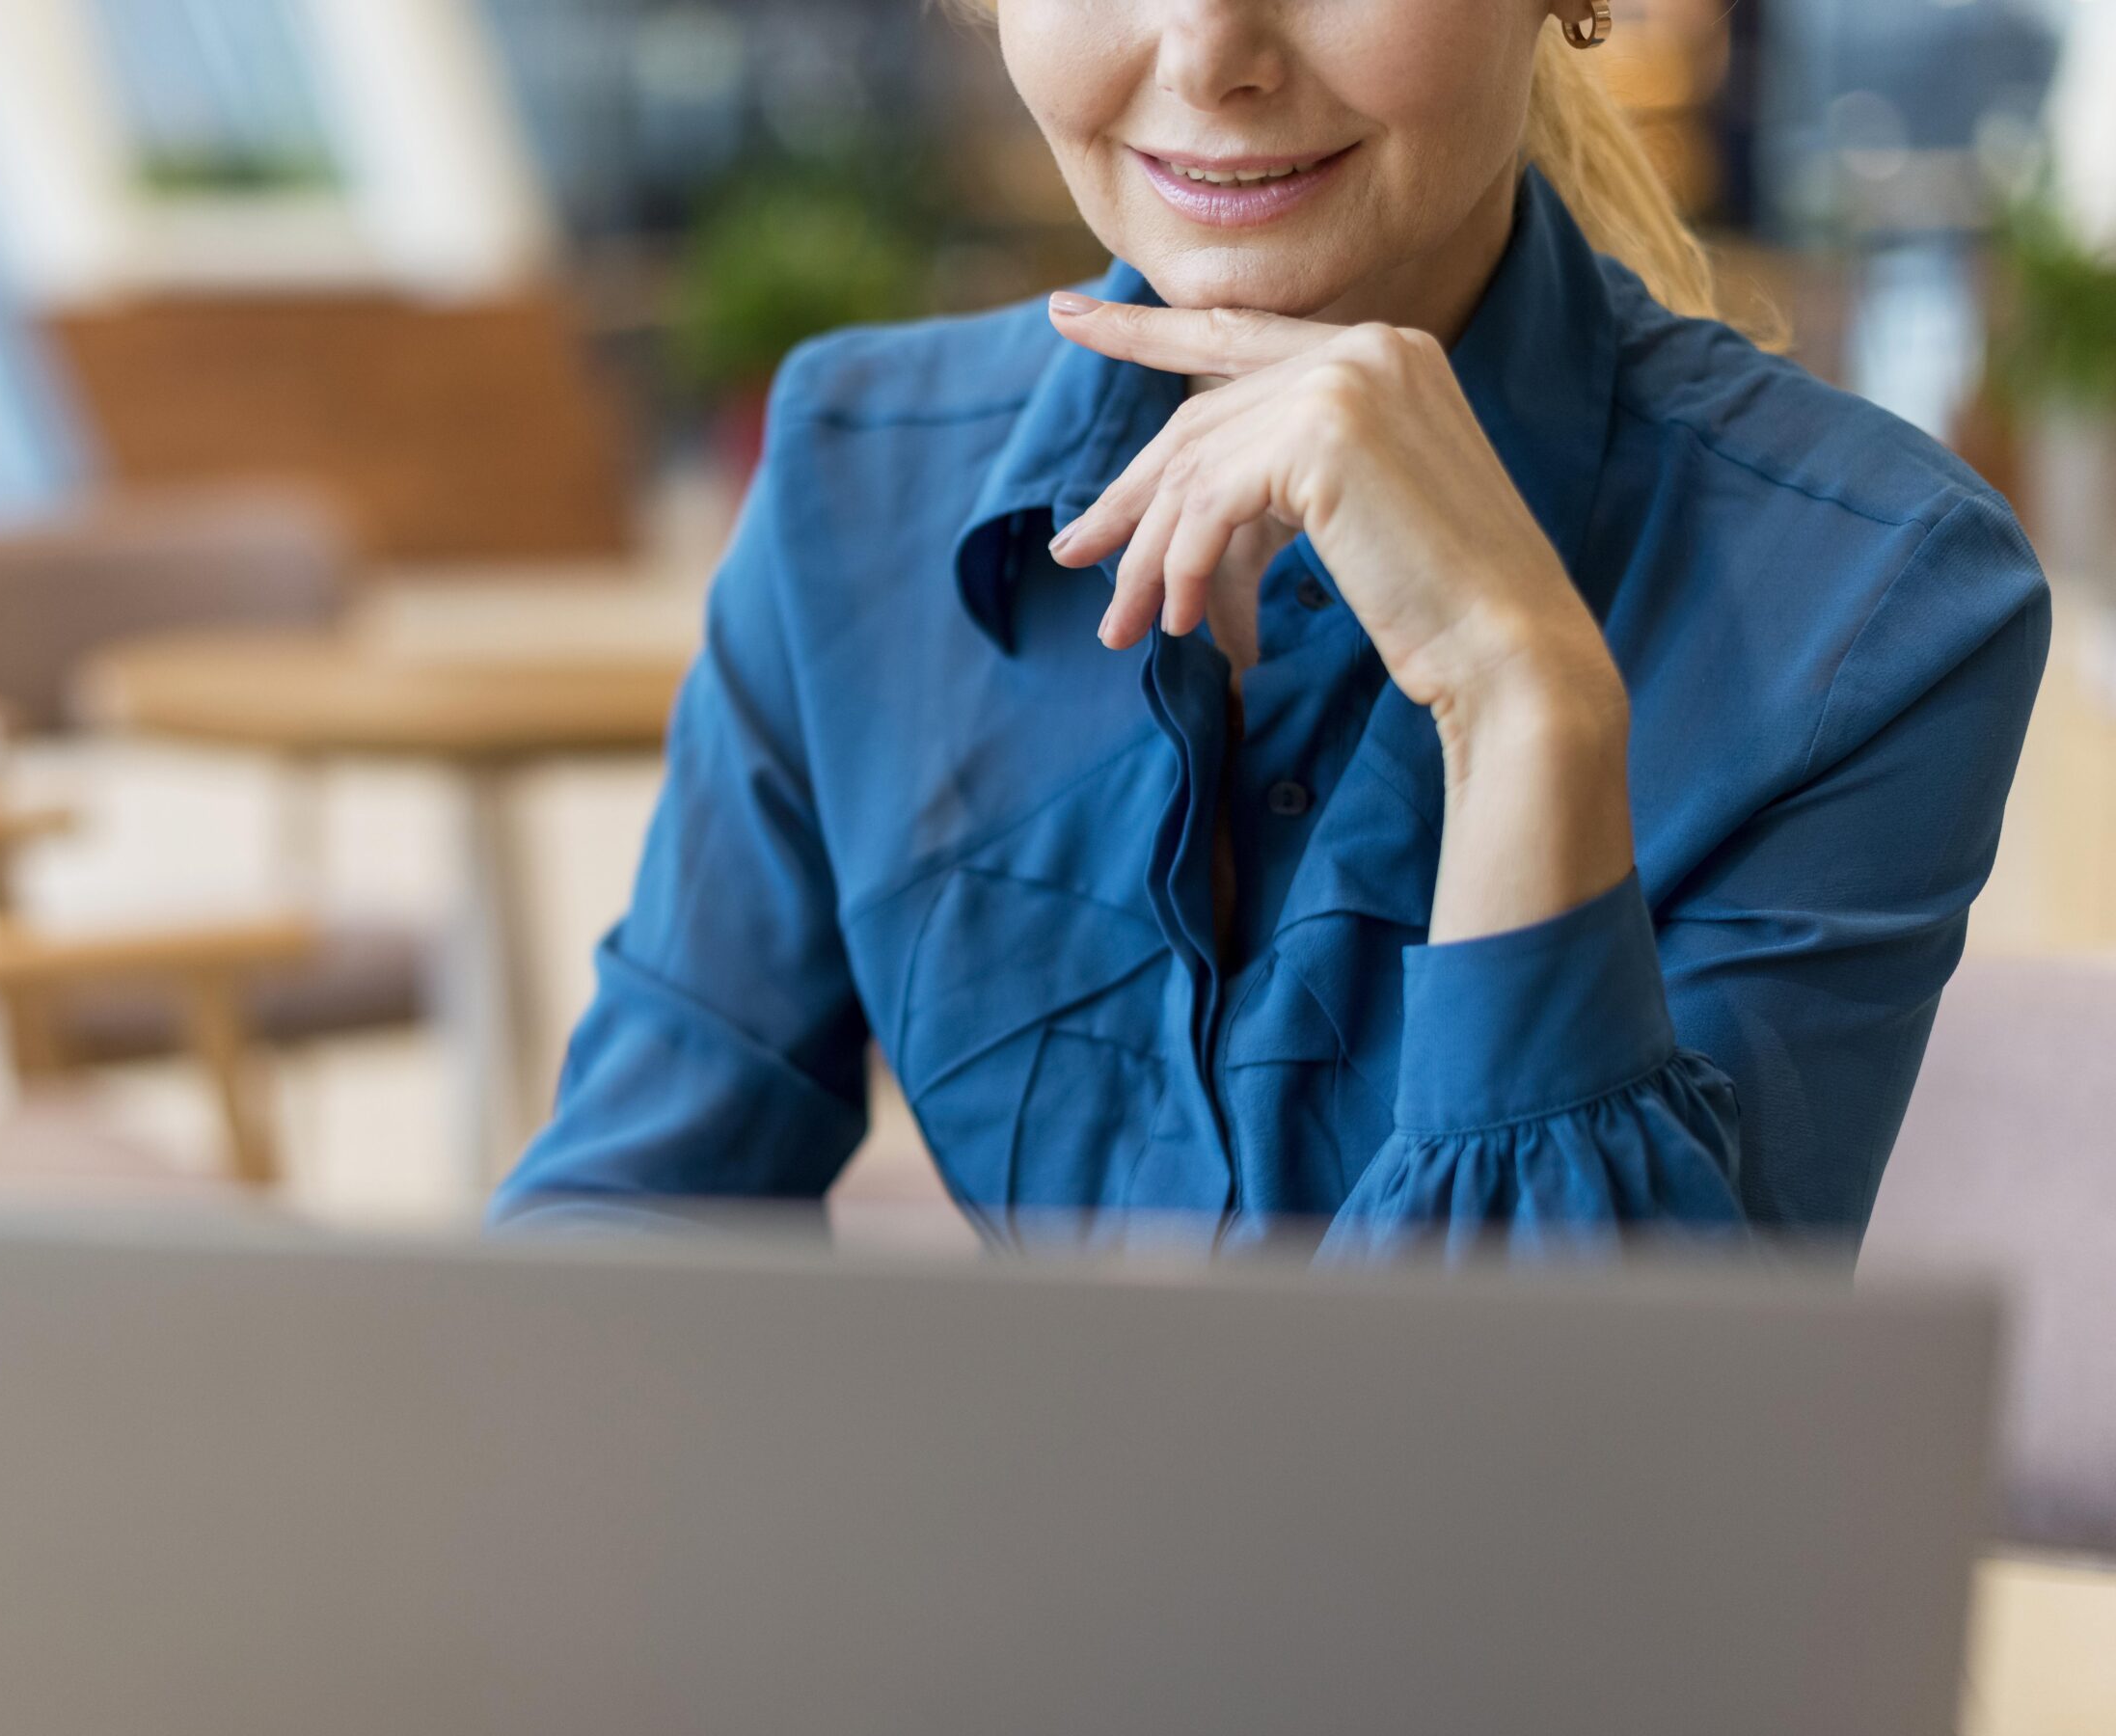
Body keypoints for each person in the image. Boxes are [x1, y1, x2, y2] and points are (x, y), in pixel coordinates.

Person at [490, 0, 2051, 1254]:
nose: (1209, 52)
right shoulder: (858, 474)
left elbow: (1590, 1507)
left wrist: (1522, 708)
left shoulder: (1876, 596)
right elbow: (627, 1225)